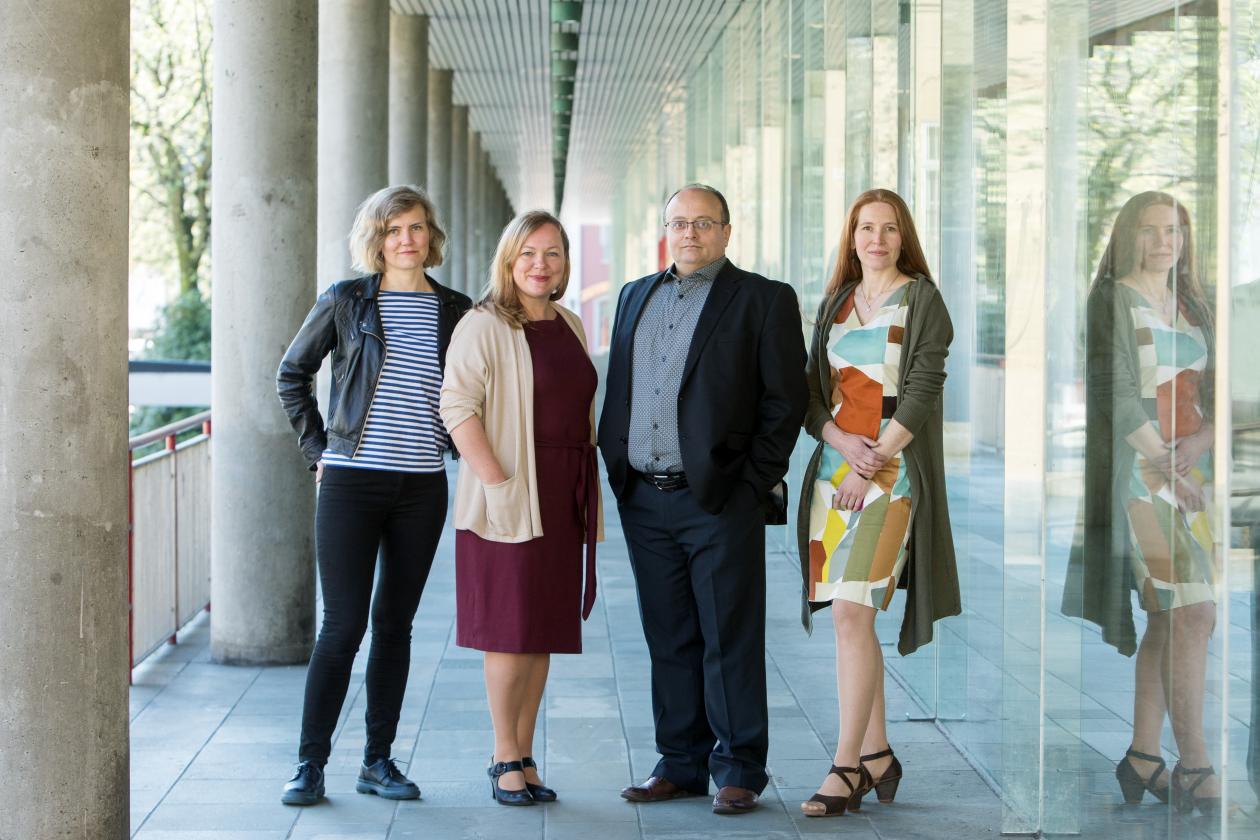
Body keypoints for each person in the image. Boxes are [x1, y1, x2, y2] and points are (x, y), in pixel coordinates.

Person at [598, 183, 807, 815]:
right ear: (666, 229)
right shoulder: (636, 294)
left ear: (726, 230)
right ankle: (680, 762)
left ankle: (739, 765)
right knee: (669, 635)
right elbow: (623, 385)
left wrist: (749, 485)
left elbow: (785, 401)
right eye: (679, 223)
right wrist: (618, 469)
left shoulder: (764, 300)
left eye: (703, 224)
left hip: (718, 499)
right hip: (644, 497)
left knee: (729, 635)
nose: (690, 234)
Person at [274, 185, 472, 806]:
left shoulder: (457, 309)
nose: (405, 240)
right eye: (392, 230)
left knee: (395, 627)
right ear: (376, 239)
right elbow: (291, 375)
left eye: (414, 228)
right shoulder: (346, 301)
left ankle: (377, 762)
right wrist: (318, 454)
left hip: (421, 487)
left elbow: (474, 390)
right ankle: (310, 764)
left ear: (430, 235)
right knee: (342, 627)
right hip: (352, 482)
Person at [797, 188, 958, 817]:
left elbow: (920, 393)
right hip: (832, 478)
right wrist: (842, 444)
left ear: (903, 237)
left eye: (889, 229)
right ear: (852, 236)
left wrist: (873, 462)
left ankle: (845, 768)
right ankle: (878, 756)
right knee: (850, 617)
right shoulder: (836, 303)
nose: (877, 239)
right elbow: (813, 398)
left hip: (891, 478)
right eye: (866, 228)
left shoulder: (923, 301)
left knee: (852, 614)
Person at [1062, 191, 1219, 815]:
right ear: (1129, 236)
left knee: (1169, 614)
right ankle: (1197, 764)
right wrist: (1164, 464)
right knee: (1194, 612)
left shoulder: (1191, 304)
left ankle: (1144, 755)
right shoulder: (1111, 299)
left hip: (1191, 477)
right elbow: (1118, 394)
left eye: (1174, 231)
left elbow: (1216, 391)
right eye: (1151, 231)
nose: (1164, 242)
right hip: (1141, 480)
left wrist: (1200, 446)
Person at [439, 210, 601, 806]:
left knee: (543, 631)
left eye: (553, 253)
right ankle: (503, 753)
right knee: (509, 631)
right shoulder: (483, 324)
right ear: (509, 261)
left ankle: (526, 753)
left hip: (564, 492)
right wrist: (497, 480)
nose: (541, 264)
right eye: (528, 253)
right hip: (510, 492)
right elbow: (456, 407)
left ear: (564, 265)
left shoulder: (570, 323)